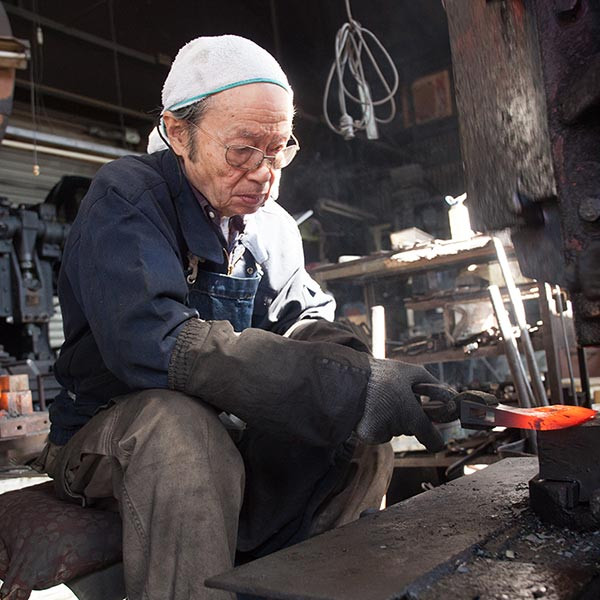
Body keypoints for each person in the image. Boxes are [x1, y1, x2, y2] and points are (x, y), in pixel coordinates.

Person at [36, 35, 447, 599]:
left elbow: (303, 319)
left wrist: (364, 376)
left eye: (278, 151)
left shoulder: (269, 224)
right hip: (102, 433)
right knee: (179, 430)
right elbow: (152, 344)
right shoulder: (129, 197)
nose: (264, 173)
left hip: (225, 433)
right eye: (243, 150)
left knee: (358, 428)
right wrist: (337, 386)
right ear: (180, 133)